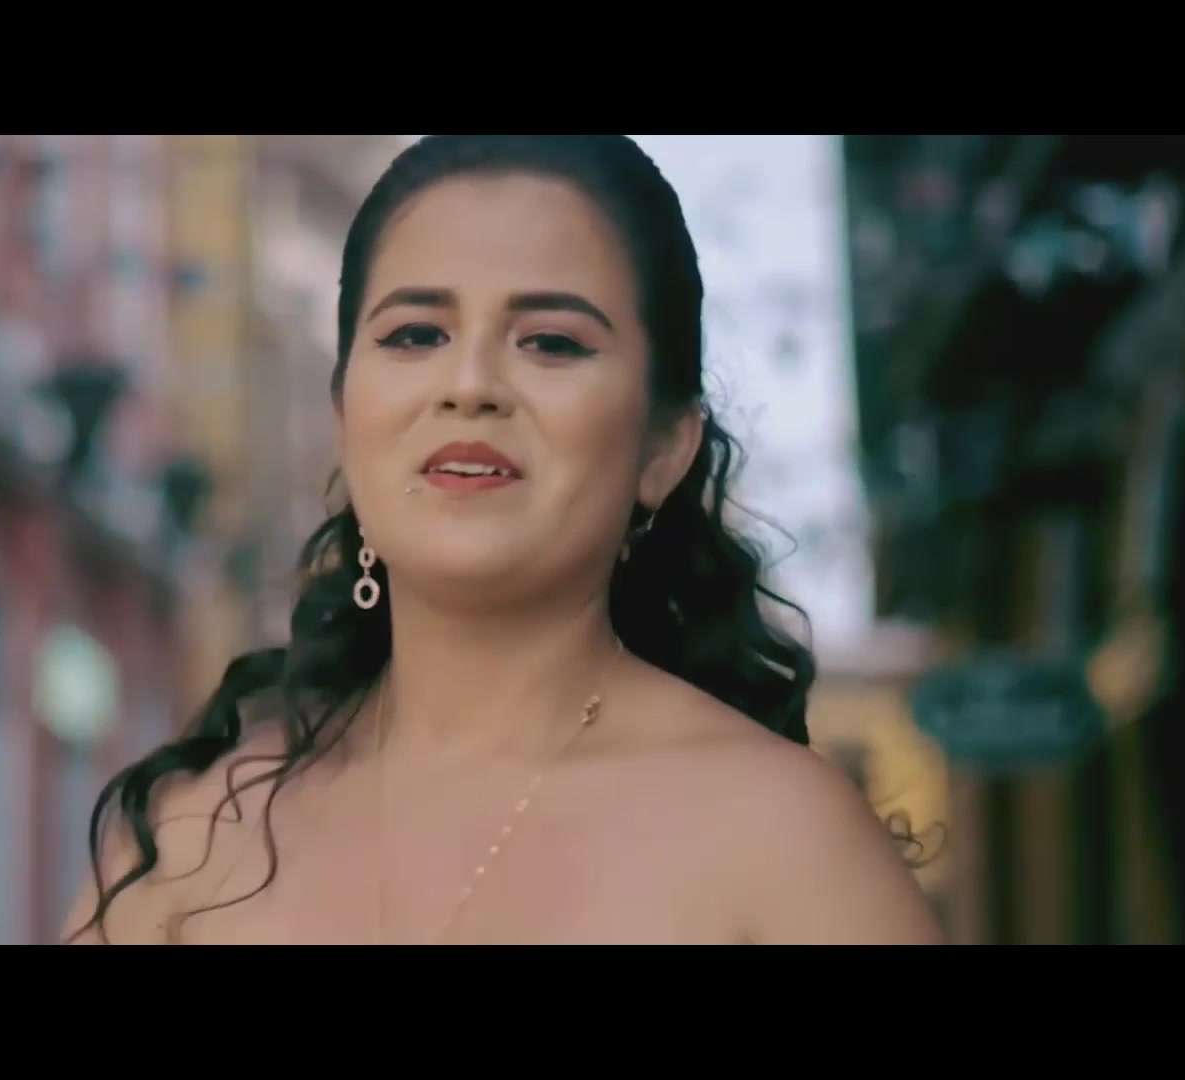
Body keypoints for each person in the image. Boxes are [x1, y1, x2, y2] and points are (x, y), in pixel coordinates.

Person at [63, 134, 944, 945]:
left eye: (551, 342)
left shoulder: (786, 843)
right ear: (346, 416)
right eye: (416, 334)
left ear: (663, 448)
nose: (470, 383)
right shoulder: (187, 845)